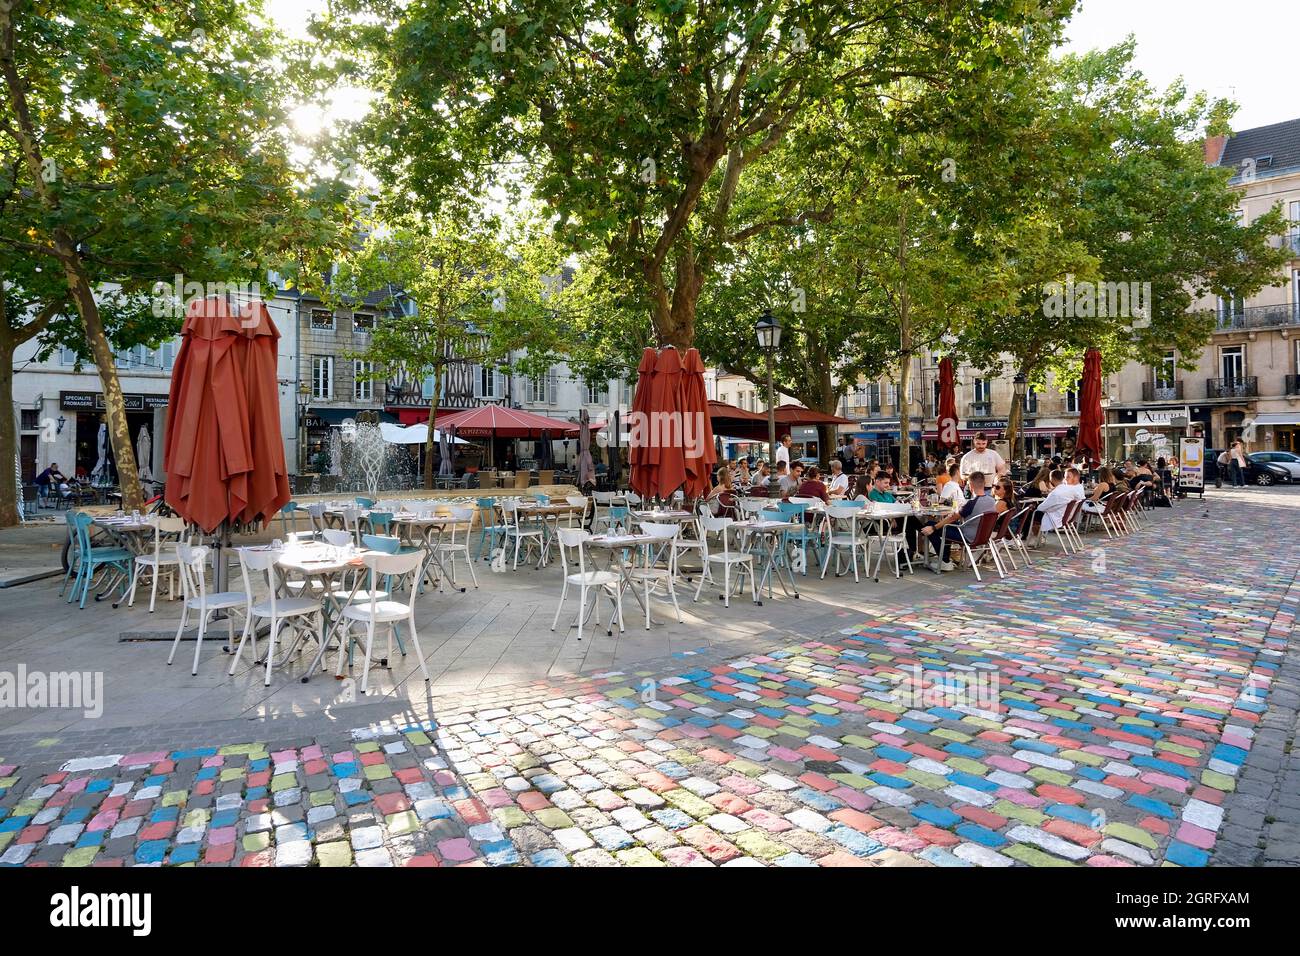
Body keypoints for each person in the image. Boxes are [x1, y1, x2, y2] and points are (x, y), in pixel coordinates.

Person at [920, 471, 998, 571]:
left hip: (968, 536)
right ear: (984, 484)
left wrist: (933, 527)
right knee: (947, 525)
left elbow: (953, 517)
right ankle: (945, 559)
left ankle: (944, 561)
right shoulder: (992, 500)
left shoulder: (972, 503)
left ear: (970, 485)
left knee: (930, 525)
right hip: (983, 536)